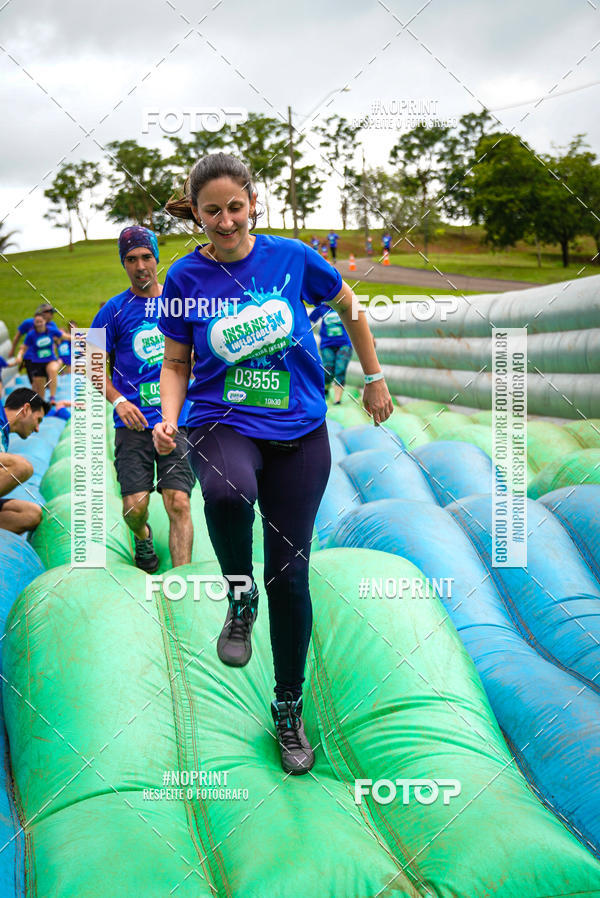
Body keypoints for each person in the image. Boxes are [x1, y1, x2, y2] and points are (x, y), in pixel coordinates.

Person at [153, 152, 393, 775]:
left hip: (300, 431)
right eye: (212, 211)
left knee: (290, 577)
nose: (225, 221)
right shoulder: (184, 278)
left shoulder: (292, 258)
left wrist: (373, 377)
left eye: (235, 207)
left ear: (252, 205)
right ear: (197, 214)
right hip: (222, 419)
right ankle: (239, 598)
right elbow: (175, 362)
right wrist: (168, 416)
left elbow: (350, 305)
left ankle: (288, 708)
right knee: (226, 493)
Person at [89, 226, 195, 572]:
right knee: (135, 508)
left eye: (146, 257)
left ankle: (182, 580)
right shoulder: (112, 310)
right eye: (131, 259)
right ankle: (142, 535)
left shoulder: (179, 305)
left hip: (175, 420)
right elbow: (88, 363)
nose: (140, 266)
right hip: (132, 425)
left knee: (178, 502)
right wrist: (118, 400)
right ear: (124, 263)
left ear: (156, 259)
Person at [0, 388, 49, 534]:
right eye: (38, 420)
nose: (37, 429)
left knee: (31, 514)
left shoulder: (4, 436)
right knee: (21, 467)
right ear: (26, 409)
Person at [309, 303, 353, 404]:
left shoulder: (343, 305)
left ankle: (337, 400)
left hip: (344, 344)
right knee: (328, 369)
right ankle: (325, 388)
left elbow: (358, 322)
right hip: (327, 344)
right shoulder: (322, 308)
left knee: (340, 368)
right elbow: (310, 320)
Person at [14, 312, 59, 404]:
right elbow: (23, 347)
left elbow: (64, 336)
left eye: (40, 321)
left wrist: (79, 337)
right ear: (34, 323)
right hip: (35, 362)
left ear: (45, 321)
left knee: (53, 369)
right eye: (37, 322)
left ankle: (52, 397)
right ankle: (40, 403)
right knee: (37, 386)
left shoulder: (51, 330)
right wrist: (19, 356)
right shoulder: (31, 334)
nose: (39, 324)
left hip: (49, 360)